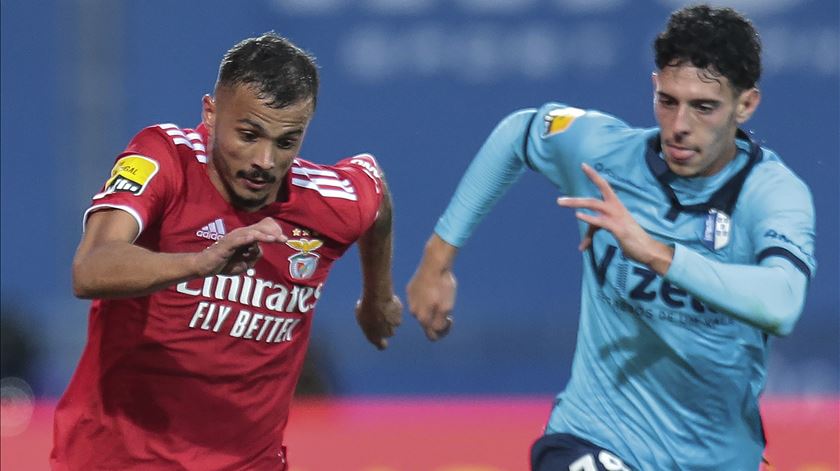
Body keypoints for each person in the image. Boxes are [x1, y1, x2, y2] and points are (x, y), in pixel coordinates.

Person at [407, 5, 815, 470]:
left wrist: (658, 254)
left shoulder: (772, 193)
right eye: (668, 100)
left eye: (704, 107)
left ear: (746, 104)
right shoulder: (605, 154)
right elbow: (518, 133)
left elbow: (781, 304)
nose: (680, 125)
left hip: (719, 457)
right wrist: (436, 259)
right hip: (596, 435)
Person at [52, 32, 403, 470]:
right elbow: (90, 267)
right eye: (249, 134)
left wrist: (377, 298)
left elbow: (376, 197)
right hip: (116, 459)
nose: (265, 160)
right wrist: (200, 263)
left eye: (286, 141)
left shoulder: (329, 200)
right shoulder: (166, 159)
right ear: (211, 113)